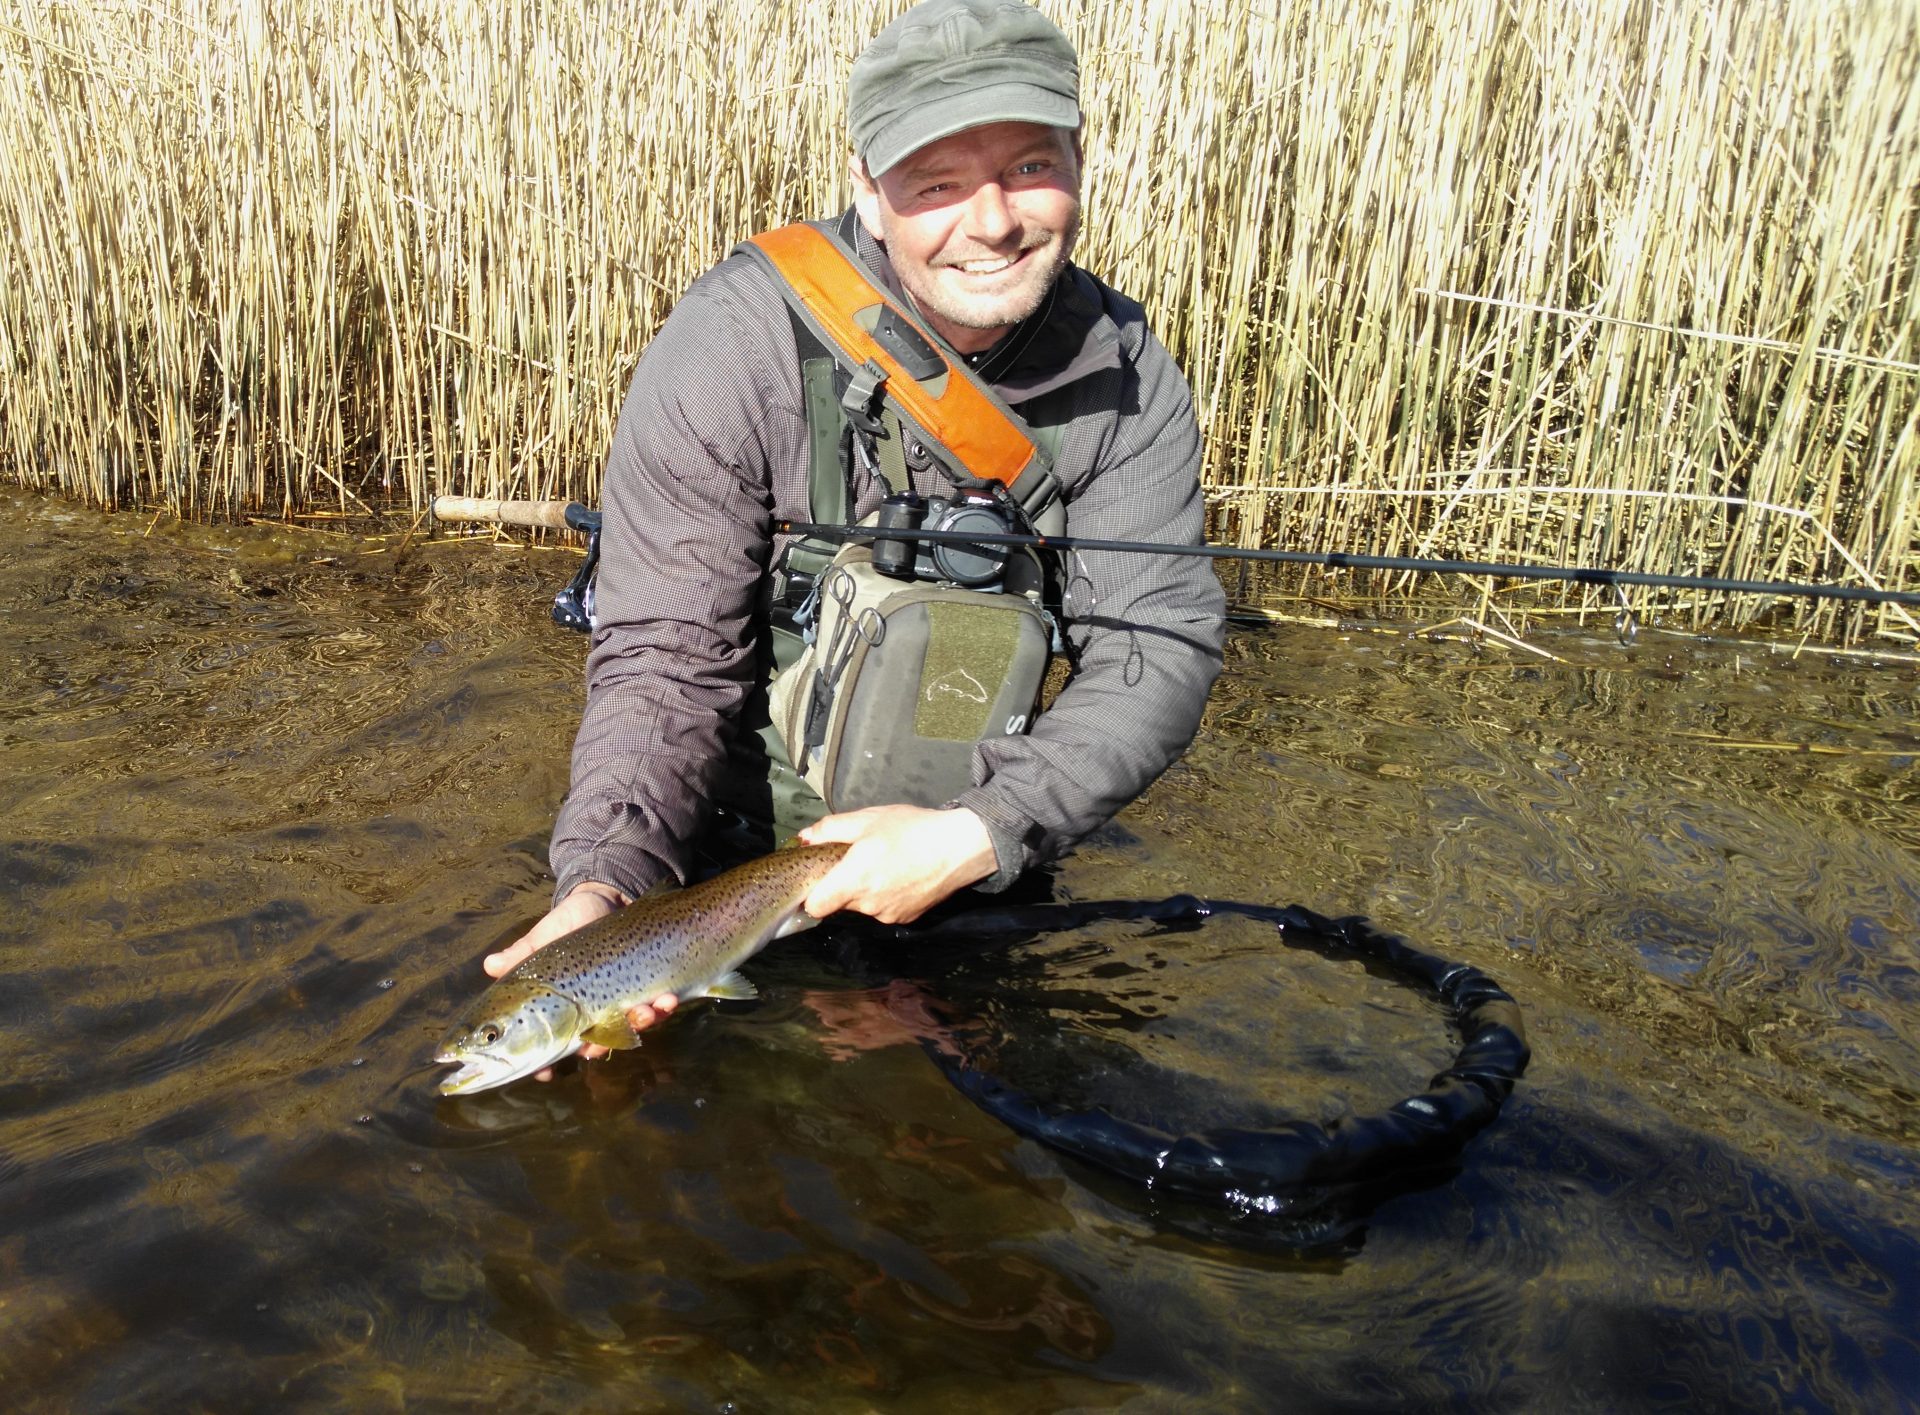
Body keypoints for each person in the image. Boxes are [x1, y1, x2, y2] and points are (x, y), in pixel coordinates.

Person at [483, 0, 1226, 1054]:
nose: (994, 220)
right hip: (725, 869)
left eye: (1028, 166)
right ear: (869, 195)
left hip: (972, 855)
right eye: (936, 183)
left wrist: (981, 834)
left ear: (1080, 159)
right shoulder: (735, 346)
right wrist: (605, 885)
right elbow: (666, 664)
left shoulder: (1128, 374)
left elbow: (1158, 645)